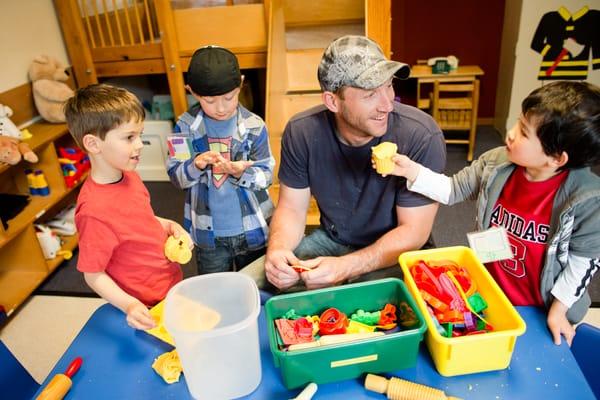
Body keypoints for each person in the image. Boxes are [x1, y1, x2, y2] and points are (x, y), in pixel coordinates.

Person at [380, 81, 600, 346]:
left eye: (523, 132)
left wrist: (559, 310)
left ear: (556, 158)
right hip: (493, 290)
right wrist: (411, 170)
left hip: (540, 306)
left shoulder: (587, 199)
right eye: (518, 123)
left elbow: (583, 262)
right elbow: (452, 189)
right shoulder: (496, 162)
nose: (510, 133)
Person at [241, 35, 446, 291]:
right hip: (333, 241)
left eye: (389, 86)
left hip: (396, 249)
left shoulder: (422, 135)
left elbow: (414, 232)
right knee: (247, 285)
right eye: (371, 94)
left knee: (371, 314)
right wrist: (278, 251)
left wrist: (346, 267)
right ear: (332, 101)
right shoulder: (301, 131)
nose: (387, 105)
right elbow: (292, 209)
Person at [64, 84, 192, 330]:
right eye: (129, 137)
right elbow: (93, 274)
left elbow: (141, 220)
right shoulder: (94, 212)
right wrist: (129, 305)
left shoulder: (129, 175)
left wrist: (170, 225)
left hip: (168, 284)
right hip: (144, 303)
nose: (141, 144)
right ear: (93, 144)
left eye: (140, 135)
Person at [167, 46, 274, 275]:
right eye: (210, 101)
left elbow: (267, 175)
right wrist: (194, 165)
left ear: (241, 84)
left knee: (256, 290)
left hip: (254, 230)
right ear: (193, 92)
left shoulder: (255, 126)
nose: (222, 108)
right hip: (209, 238)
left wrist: (240, 172)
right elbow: (176, 177)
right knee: (215, 296)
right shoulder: (184, 127)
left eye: (229, 98)